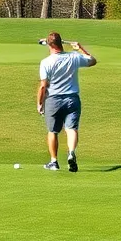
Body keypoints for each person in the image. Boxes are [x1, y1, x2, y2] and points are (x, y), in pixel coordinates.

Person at [36, 31, 96, 172]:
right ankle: (71, 153)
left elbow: (43, 86)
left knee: (52, 131)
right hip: (72, 99)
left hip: (54, 100)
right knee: (71, 129)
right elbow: (92, 61)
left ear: (49, 45)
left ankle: (54, 162)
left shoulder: (45, 62)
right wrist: (80, 48)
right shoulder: (74, 57)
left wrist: (39, 103)